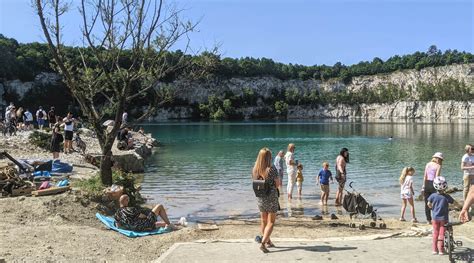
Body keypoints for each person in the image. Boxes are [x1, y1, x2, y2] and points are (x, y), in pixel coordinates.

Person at [252, 148, 280, 253]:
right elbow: (278, 184)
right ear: (268, 157)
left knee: (263, 220)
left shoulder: (255, 168)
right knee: (271, 222)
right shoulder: (272, 169)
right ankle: (263, 243)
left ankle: (268, 241)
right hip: (271, 197)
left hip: (260, 197)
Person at [427, 176, 454, 255]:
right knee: (441, 234)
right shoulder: (447, 196)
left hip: (435, 218)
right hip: (444, 219)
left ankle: (434, 250)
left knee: (435, 233)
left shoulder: (432, 196)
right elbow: (454, 202)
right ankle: (441, 250)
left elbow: (428, 204)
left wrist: (433, 208)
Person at [422, 152, 443, 224]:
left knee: (427, 202)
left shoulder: (428, 164)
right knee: (435, 202)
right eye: (440, 159)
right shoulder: (438, 166)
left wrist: (423, 186)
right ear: (437, 158)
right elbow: (437, 177)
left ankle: (428, 220)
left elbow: (425, 176)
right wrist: (439, 188)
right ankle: (435, 219)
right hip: (433, 184)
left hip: (427, 183)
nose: (440, 160)